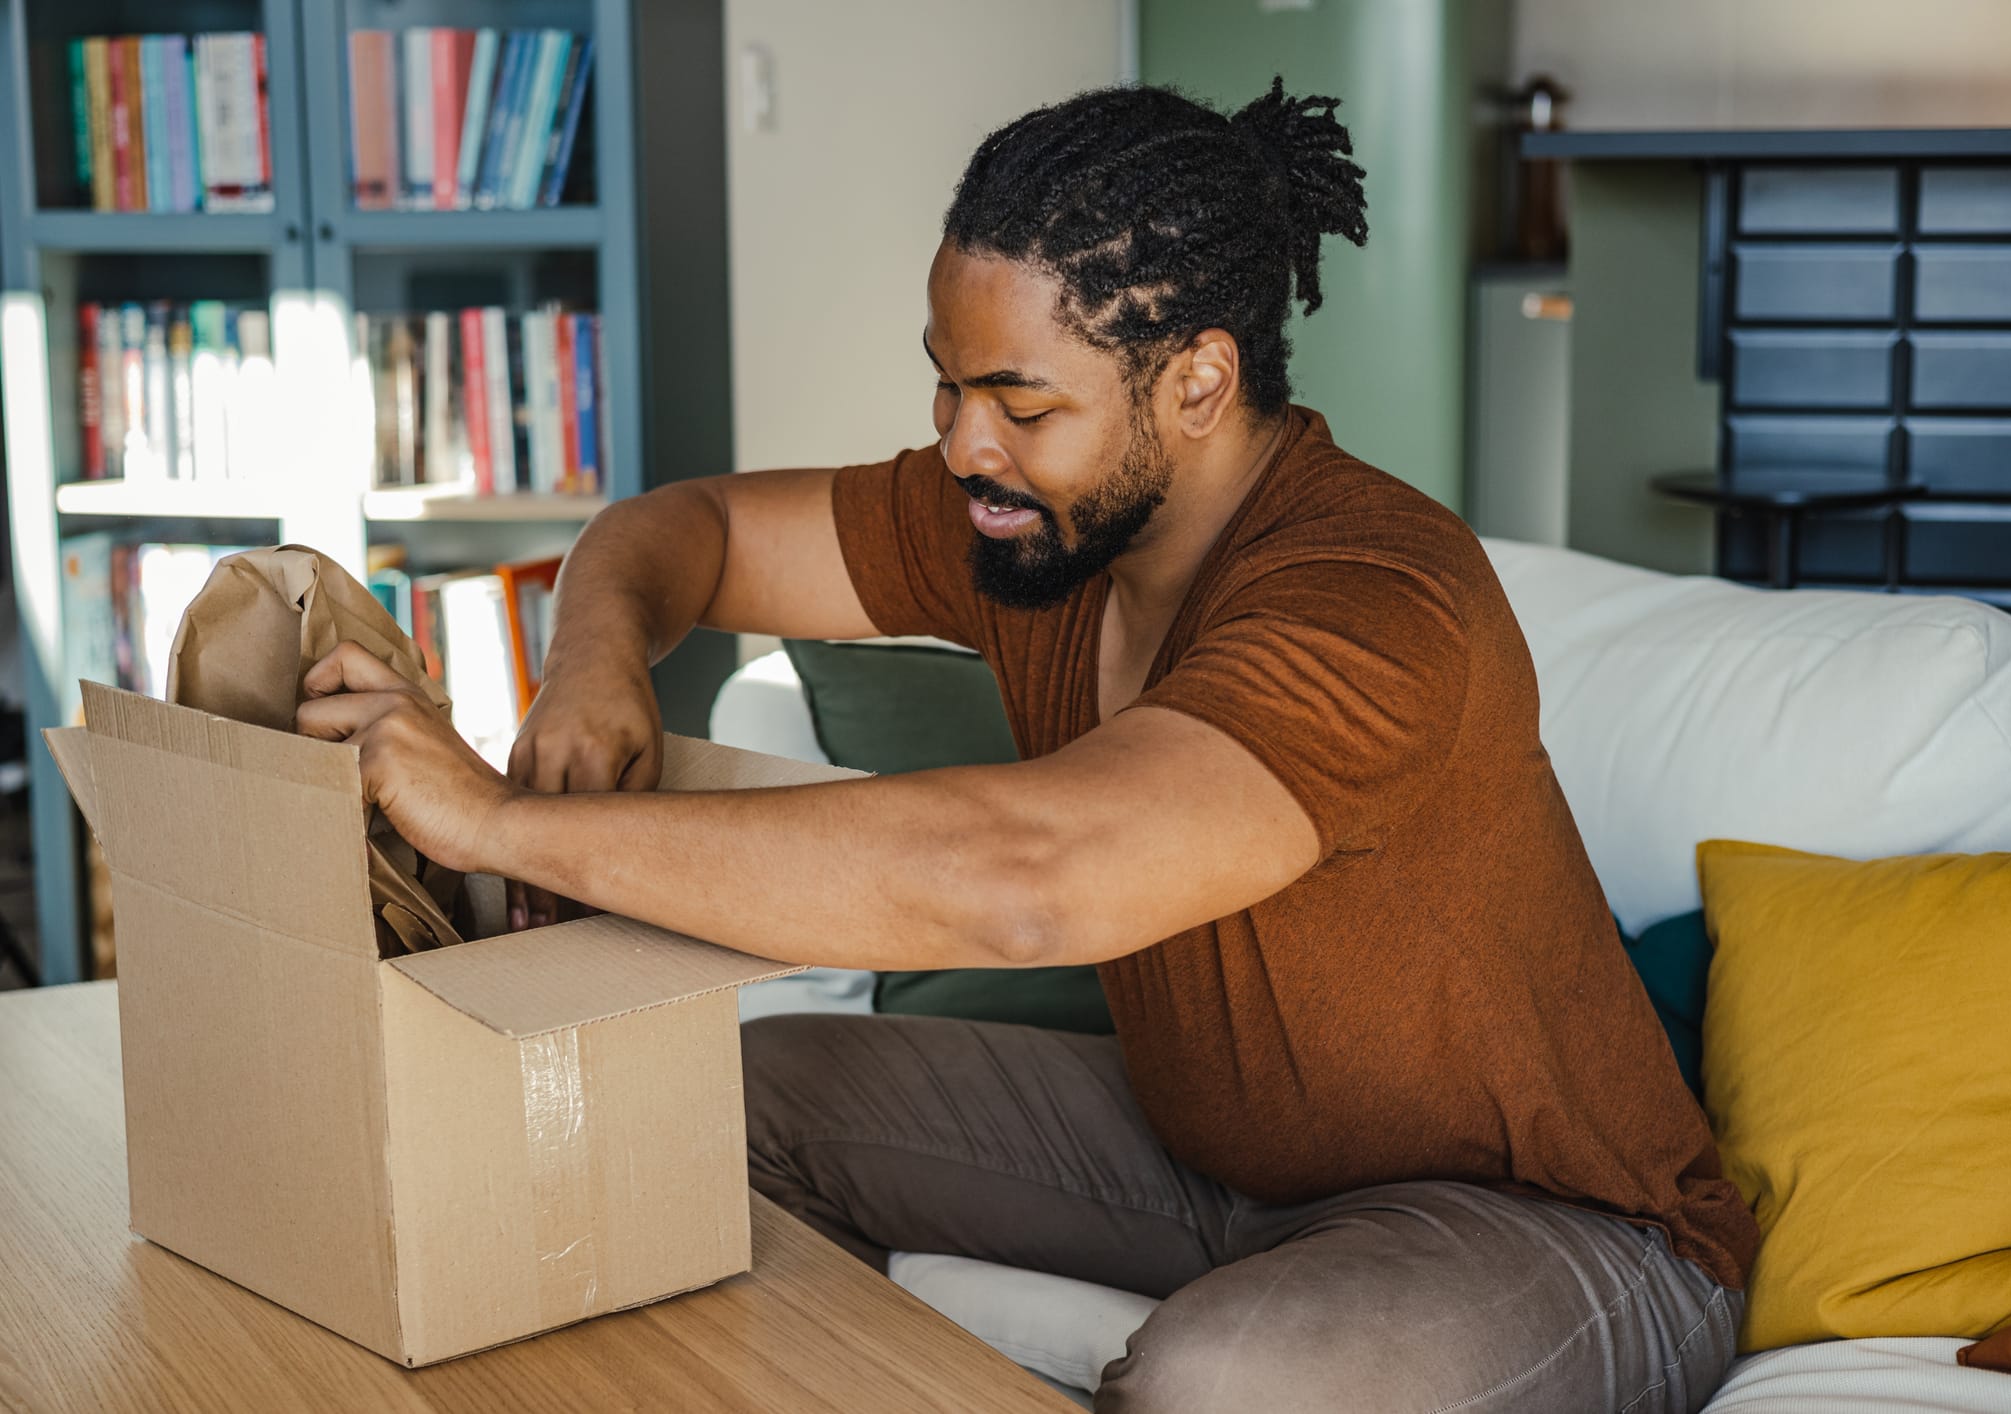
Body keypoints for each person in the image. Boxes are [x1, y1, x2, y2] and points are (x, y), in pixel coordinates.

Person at [297, 79, 1756, 1413]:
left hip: (1554, 1227)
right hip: (1210, 1159)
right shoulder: (1038, 518)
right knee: (712, 1109)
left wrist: (493, 823)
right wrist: (597, 659)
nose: (958, 444)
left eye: (1018, 401)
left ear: (1195, 381)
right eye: (947, 381)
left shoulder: (1373, 592)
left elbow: (1028, 871)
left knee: (1221, 1379)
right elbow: (691, 526)